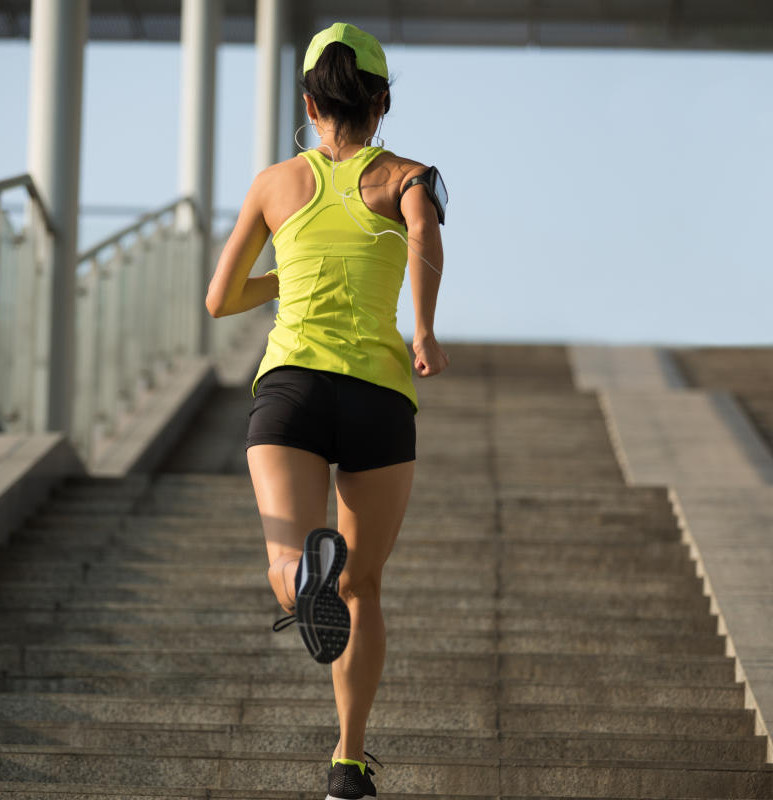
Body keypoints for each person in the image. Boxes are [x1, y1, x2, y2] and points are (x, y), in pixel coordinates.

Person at [206, 21, 448, 800]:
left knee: (290, 557)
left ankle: (297, 575)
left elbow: (218, 301)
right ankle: (348, 761)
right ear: (381, 104)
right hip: (378, 396)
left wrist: (290, 272)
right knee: (365, 587)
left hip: (291, 391)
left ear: (310, 104)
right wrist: (426, 330)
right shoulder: (406, 176)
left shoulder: (275, 184)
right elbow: (422, 236)